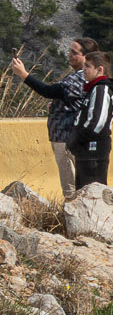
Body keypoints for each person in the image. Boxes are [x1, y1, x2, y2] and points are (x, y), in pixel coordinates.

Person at [7, 36, 95, 200]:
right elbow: (73, 101)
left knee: (70, 189)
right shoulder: (81, 77)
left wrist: (24, 75)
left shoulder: (79, 78)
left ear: (87, 57)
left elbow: (48, 91)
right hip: (68, 136)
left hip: (66, 138)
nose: (69, 54)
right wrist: (57, 106)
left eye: (74, 52)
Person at [70, 51, 113, 190]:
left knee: (92, 190)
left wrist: (78, 139)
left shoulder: (101, 89)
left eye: (88, 66)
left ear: (100, 69)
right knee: (82, 189)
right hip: (85, 152)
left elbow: (97, 122)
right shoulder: (94, 88)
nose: (83, 69)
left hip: (94, 151)